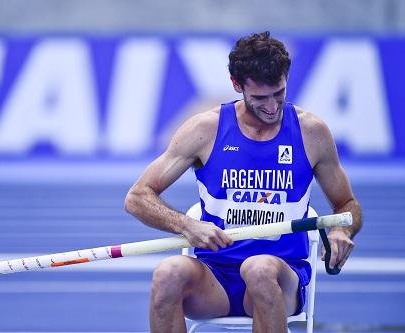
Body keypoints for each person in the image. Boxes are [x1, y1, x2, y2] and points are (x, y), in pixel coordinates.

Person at [124, 31, 362, 333]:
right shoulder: (206, 129)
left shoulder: (311, 133)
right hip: (215, 278)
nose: (273, 107)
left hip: (280, 274)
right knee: (167, 273)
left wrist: (343, 230)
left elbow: (347, 204)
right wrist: (186, 225)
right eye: (260, 98)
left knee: (258, 268)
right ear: (237, 86)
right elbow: (137, 197)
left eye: (279, 93)